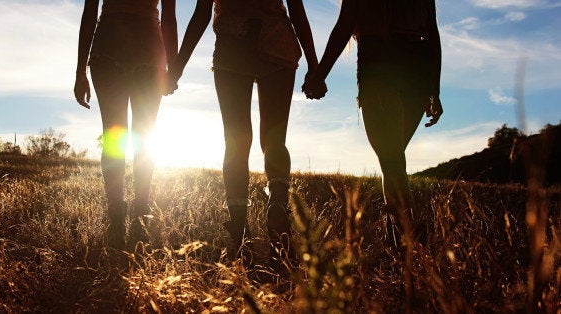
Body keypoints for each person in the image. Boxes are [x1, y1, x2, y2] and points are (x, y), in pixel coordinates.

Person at [302, 0, 443, 307]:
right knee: (393, 160)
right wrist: (434, 88)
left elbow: (344, 25)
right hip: (418, 67)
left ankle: (407, 237)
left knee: (391, 159)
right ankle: (405, 245)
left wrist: (319, 73)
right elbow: (432, 33)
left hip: (380, 62)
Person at [165, 0, 318, 268]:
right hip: (277, 42)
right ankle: (278, 205)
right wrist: (315, 66)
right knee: (274, 138)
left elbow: (201, 13)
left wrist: (176, 68)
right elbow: (297, 9)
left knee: (235, 140)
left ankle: (239, 234)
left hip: (233, 45)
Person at [74, 0, 177, 250]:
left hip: (111, 44)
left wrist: (80, 72)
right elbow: (169, 16)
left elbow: (89, 13)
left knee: (116, 136)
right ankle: (133, 219)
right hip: (146, 48)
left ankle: (121, 220)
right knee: (140, 137)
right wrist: (172, 67)